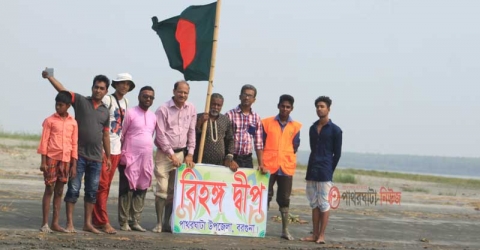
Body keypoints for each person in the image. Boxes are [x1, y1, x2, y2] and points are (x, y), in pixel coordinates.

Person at [42, 69, 111, 234]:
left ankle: (88, 223)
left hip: (96, 157)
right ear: (92, 87)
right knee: (73, 189)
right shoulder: (81, 101)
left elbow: (106, 134)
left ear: (106, 91)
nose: (98, 90)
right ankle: (70, 224)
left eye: (102, 88)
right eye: (96, 87)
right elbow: (63, 91)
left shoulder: (105, 111)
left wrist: (107, 156)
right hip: (78, 155)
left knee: (92, 191)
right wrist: (50, 77)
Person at [92, 73, 135, 234]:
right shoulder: (108, 100)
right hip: (104, 149)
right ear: (115, 85)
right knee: (102, 185)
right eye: (122, 83)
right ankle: (102, 221)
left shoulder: (125, 102)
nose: (124, 86)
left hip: (117, 149)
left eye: (127, 84)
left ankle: (96, 219)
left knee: (106, 186)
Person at [153, 80, 196, 233]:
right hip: (164, 154)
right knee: (162, 189)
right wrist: (171, 155)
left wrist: (190, 154)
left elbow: (191, 132)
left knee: (172, 191)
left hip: (180, 154)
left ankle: (166, 223)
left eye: (185, 93)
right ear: (174, 91)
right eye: (180, 92)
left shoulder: (191, 108)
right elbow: (160, 135)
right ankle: (158, 223)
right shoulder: (163, 109)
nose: (182, 95)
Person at [301, 96, 342, 244]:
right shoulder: (312, 128)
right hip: (312, 169)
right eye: (317, 106)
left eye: (322, 106)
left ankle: (322, 235)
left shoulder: (336, 130)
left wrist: (330, 169)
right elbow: (313, 148)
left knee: (324, 204)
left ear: (328, 109)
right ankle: (314, 234)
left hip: (325, 171)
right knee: (314, 203)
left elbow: (337, 154)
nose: (319, 109)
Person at [37, 91, 78, 233]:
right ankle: (44, 224)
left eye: (61, 105)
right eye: (56, 104)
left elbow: (74, 144)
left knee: (60, 190)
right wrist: (43, 162)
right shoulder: (49, 121)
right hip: (51, 157)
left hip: (66, 159)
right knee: (49, 188)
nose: (57, 107)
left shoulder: (73, 122)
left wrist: (74, 164)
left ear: (68, 106)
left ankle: (55, 223)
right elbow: (44, 141)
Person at [262, 94, 301, 240]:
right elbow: (261, 143)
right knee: (266, 196)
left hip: (286, 166)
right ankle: (261, 228)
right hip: (268, 166)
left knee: (284, 198)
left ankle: (285, 230)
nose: (285, 109)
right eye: (283, 106)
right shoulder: (267, 123)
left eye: (288, 107)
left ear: (291, 109)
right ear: (278, 106)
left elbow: (295, 145)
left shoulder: (295, 126)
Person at [118, 86, 156, 232]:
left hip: (145, 159)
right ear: (139, 96)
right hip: (129, 158)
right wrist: (122, 155)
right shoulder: (130, 113)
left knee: (141, 189)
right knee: (126, 189)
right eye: (145, 96)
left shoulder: (153, 116)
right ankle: (124, 222)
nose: (148, 99)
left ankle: (135, 221)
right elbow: (122, 134)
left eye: (151, 97)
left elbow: (150, 135)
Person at [225, 84, 266, 173]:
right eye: (245, 94)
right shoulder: (230, 115)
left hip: (247, 159)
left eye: (250, 96)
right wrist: (229, 159)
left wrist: (261, 164)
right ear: (240, 96)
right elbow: (224, 139)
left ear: (254, 100)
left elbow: (258, 143)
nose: (247, 98)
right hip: (232, 157)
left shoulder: (256, 117)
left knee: (246, 185)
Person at [194, 93, 238, 171]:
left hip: (219, 164)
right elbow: (192, 137)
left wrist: (229, 156)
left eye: (219, 105)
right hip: (200, 162)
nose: (216, 107)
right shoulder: (198, 117)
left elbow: (230, 139)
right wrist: (199, 123)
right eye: (213, 104)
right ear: (209, 103)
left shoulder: (225, 120)